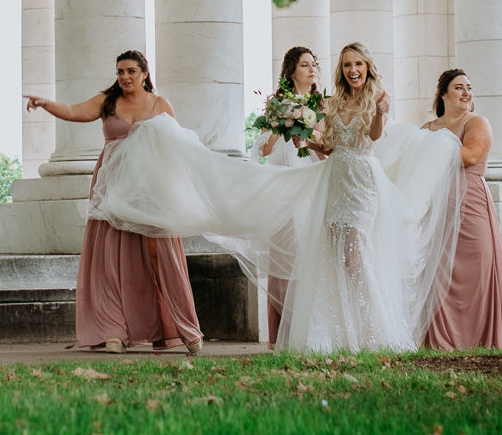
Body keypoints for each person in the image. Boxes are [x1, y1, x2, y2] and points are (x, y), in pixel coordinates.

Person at [85, 43, 465, 354]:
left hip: (362, 180)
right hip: (335, 177)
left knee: (357, 249)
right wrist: (304, 139)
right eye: (347, 64)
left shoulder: (375, 100)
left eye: (358, 64)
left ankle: (376, 329)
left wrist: (381, 111)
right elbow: (330, 146)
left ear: (368, 67)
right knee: (332, 251)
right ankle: (337, 333)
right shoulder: (332, 104)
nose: (353, 70)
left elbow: (376, 137)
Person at [25, 50, 203, 354]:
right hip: (113, 189)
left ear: (145, 74)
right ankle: (113, 333)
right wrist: (46, 104)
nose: (125, 77)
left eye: (131, 71)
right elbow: (73, 111)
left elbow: (178, 147)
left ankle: (186, 329)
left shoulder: (160, 105)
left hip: (151, 190)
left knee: (161, 257)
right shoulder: (108, 101)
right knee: (110, 261)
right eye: (120, 71)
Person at [423, 69, 502, 350]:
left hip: (471, 205)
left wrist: (427, 149)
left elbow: (471, 156)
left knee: (478, 266)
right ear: (443, 94)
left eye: (469, 87)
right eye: (458, 87)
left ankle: (481, 336)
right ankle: (443, 338)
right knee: (440, 269)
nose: (466, 92)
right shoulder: (427, 128)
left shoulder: (477, 122)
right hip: (438, 209)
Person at [255, 45, 324, 345]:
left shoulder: (324, 105)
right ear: (292, 71)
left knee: (312, 255)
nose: (312, 70)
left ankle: (310, 331)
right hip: (284, 189)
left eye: (314, 65)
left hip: (314, 184)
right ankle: (281, 334)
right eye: (305, 65)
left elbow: (330, 144)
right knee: (285, 257)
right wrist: (282, 123)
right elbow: (264, 149)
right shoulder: (278, 105)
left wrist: (307, 133)